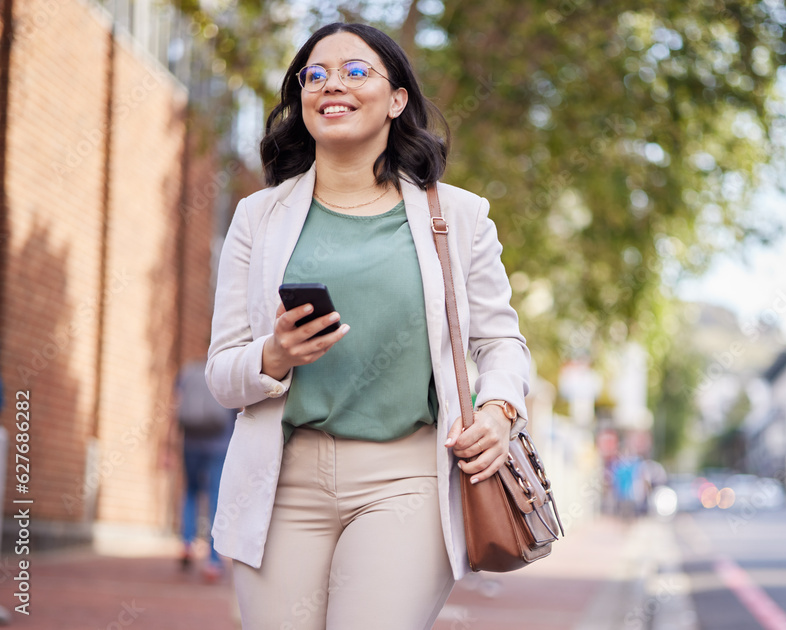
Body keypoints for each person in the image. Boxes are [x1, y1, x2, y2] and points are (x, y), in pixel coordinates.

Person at [205, 22, 530, 630]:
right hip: (281, 483)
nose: (334, 85)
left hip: (406, 480)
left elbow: (499, 341)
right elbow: (223, 376)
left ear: (397, 99)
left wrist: (499, 409)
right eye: (316, 74)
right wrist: (274, 355)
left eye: (357, 72)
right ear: (301, 98)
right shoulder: (259, 218)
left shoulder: (457, 216)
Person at [174, 358, 236, 582]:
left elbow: (177, 407)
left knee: (190, 491)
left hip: (190, 442)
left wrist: (168, 444)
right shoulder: (229, 372)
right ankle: (212, 560)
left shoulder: (188, 372)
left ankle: (187, 542)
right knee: (215, 499)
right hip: (219, 444)